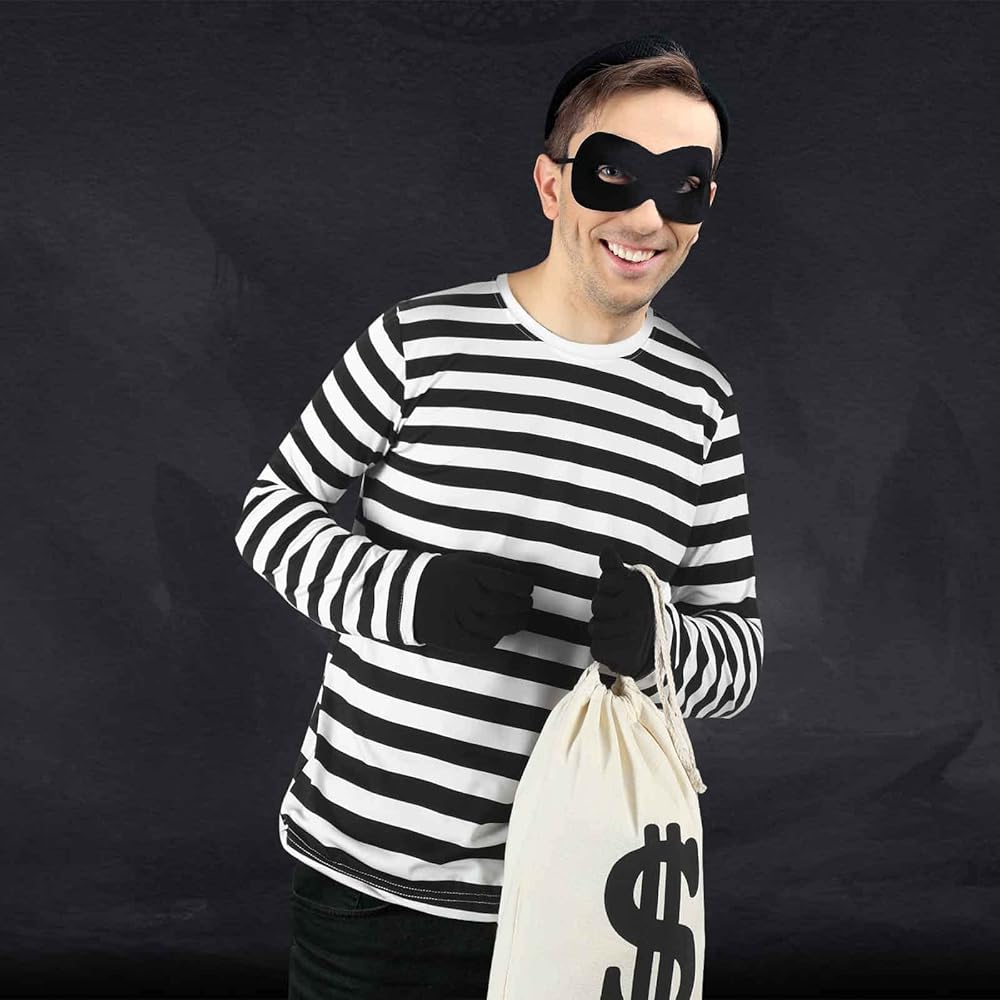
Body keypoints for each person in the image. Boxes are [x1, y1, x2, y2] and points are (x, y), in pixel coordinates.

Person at [234, 33, 763, 1000]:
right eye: (616, 174)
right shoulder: (417, 341)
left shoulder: (701, 403)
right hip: (370, 881)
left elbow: (740, 657)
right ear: (552, 185)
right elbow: (270, 512)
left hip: (587, 896)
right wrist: (408, 594)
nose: (648, 216)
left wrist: (662, 643)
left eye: (685, 185)